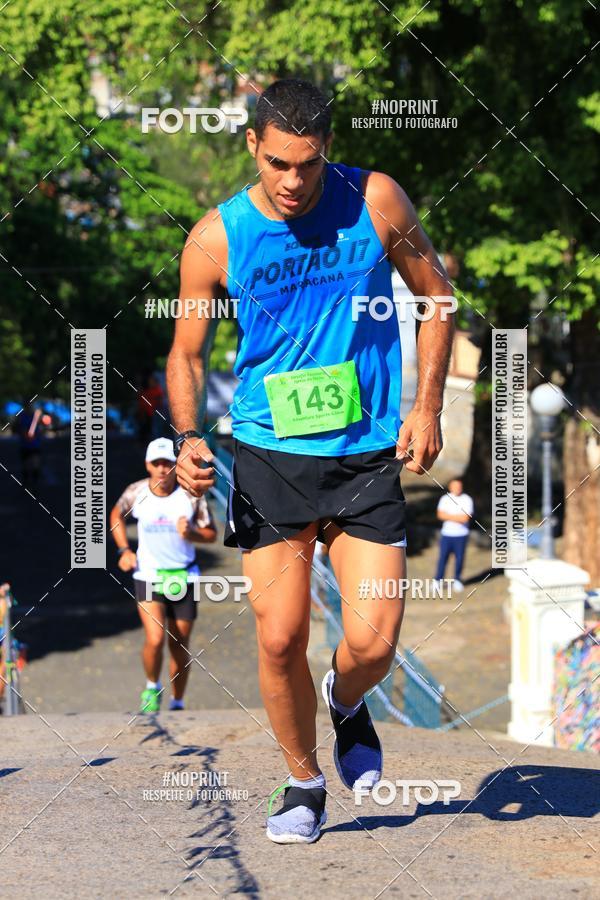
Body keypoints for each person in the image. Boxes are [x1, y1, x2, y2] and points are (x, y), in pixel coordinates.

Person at [166, 78, 455, 843]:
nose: (294, 182)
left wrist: (427, 404)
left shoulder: (376, 201)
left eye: (309, 164)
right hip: (267, 453)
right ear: (253, 148)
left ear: (328, 149)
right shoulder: (216, 238)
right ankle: (302, 783)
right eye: (278, 164)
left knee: (375, 641)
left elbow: (438, 296)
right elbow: (186, 355)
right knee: (277, 636)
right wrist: (190, 434)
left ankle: (347, 699)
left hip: (365, 454)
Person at [110, 437, 217, 713]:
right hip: (148, 575)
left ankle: (178, 702)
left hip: (183, 576)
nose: (161, 469)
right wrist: (124, 549)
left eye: (167, 463)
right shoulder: (137, 492)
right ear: (148, 465)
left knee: (179, 644)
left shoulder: (190, 496)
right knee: (155, 638)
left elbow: (211, 534)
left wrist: (191, 533)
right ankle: (150, 686)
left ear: (175, 466)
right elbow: (116, 515)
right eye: (156, 463)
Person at [434, 478, 474, 592]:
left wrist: (449, 516)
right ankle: (438, 580)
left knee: (460, 558)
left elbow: (465, 518)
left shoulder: (467, 499)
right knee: (442, 558)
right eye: (455, 486)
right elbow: (440, 515)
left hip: (461, 535)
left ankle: (457, 579)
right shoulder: (445, 499)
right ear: (450, 487)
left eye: (459, 486)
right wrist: (457, 517)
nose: (457, 489)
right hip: (447, 534)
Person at [14, 402, 43, 488]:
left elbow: (42, 424)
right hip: (25, 445)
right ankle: (26, 481)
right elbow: (21, 430)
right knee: (25, 465)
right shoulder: (22, 417)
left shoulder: (36, 415)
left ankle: (35, 482)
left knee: (35, 463)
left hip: (35, 445)